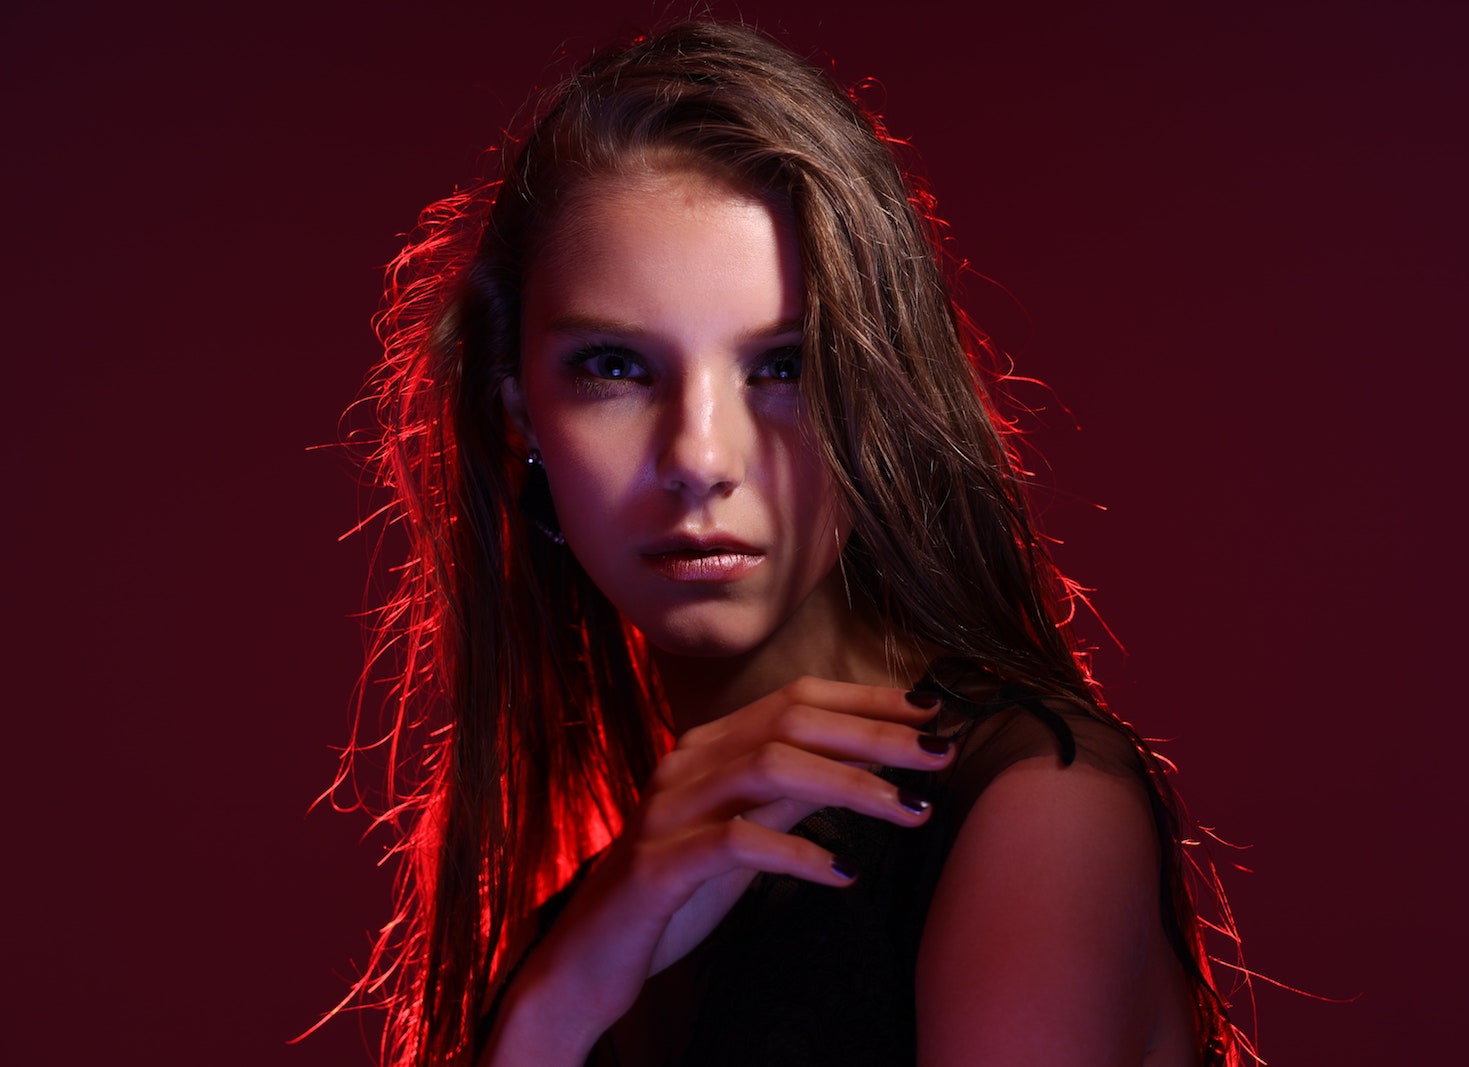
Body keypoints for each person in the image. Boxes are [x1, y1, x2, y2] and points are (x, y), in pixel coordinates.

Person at [336, 18, 1247, 1067]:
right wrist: (555, 1002)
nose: (699, 458)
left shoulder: (1036, 807)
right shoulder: (605, 912)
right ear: (518, 416)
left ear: (878, 395)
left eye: (784, 366)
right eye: (615, 367)